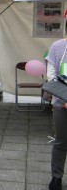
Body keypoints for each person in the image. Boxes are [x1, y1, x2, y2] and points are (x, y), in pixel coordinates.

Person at [46, 38, 67, 190]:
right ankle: (56, 178)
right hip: (61, 101)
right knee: (61, 141)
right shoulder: (58, 47)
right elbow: (51, 75)